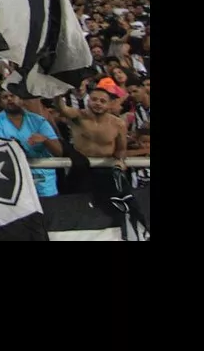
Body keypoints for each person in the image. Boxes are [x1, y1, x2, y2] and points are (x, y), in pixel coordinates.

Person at [52, 84, 149, 240]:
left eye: (102, 101)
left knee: (123, 204)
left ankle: (135, 235)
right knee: (76, 205)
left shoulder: (118, 124)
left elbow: (121, 149)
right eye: (94, 99)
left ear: (110, 104)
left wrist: (120, 161)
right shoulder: (78, 116)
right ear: (88, 101)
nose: (97, 103)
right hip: (80, 168)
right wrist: (56, 91)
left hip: (106, 169)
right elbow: (61, 108)